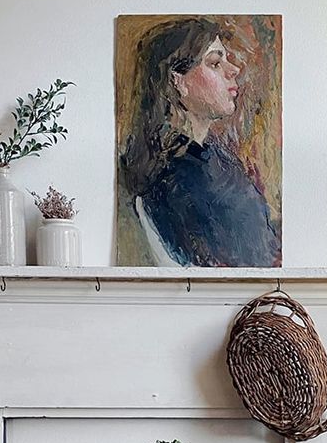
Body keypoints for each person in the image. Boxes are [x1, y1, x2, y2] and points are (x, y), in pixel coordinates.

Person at [119, 18, 280, 267]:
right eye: (215, 63)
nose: (234, 70)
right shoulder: (166, 182)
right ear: (178, 81)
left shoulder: (224, 165)